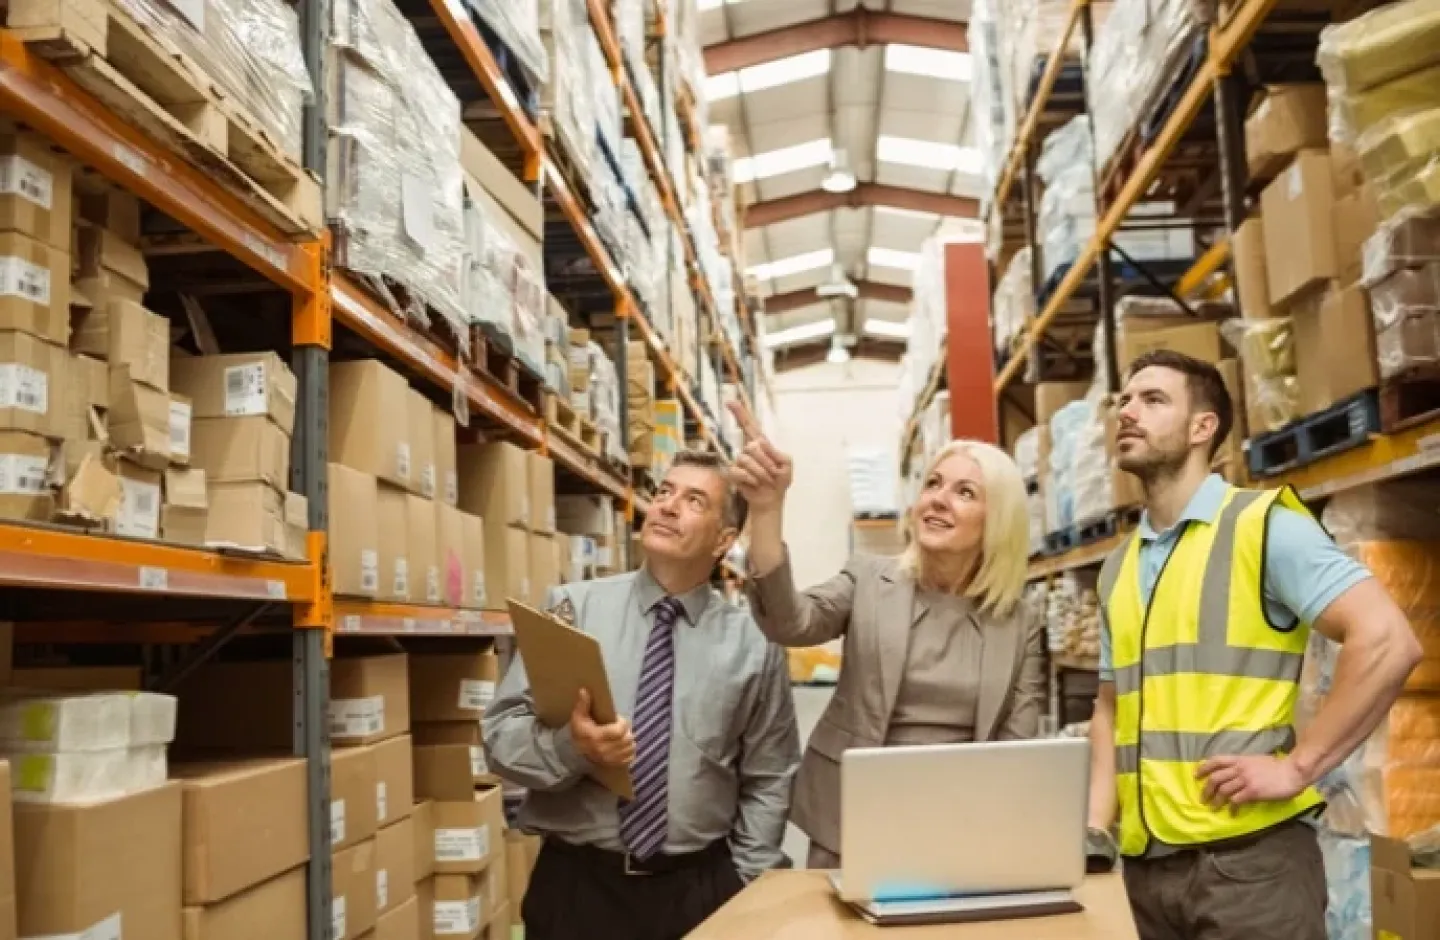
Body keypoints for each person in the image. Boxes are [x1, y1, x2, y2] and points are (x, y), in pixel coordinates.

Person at [1085, 349, 1422, 940]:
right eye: (1125, 400)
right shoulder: (1118, 568)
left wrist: (1298, 767)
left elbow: (1388, 640)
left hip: (1248, 870)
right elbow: (1111, 706)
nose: (1127, 412)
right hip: (1147, 873)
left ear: (1202, 428)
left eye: (1152, 399)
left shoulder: (1262, 525)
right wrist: (1095, 830)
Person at [482, 449, 801, 940]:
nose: (668, 506)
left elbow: (771, 775)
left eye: (694, 500)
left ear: (724, 540)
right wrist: (573, 747)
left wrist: (743, 876)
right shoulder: (573, 608)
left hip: (699, 891)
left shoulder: (754, 643)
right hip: (578, 890)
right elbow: (500, 741)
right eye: (664, 492)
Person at [727, 400, 1046, 870]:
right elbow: (789, 622)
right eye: (933, 483)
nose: (938, 498)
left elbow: (1018, 744)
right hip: (855, 814)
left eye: (964, 492)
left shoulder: (1020, 622)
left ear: (996, 521)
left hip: (962, 819)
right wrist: (767, 509)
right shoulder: (869, 580)